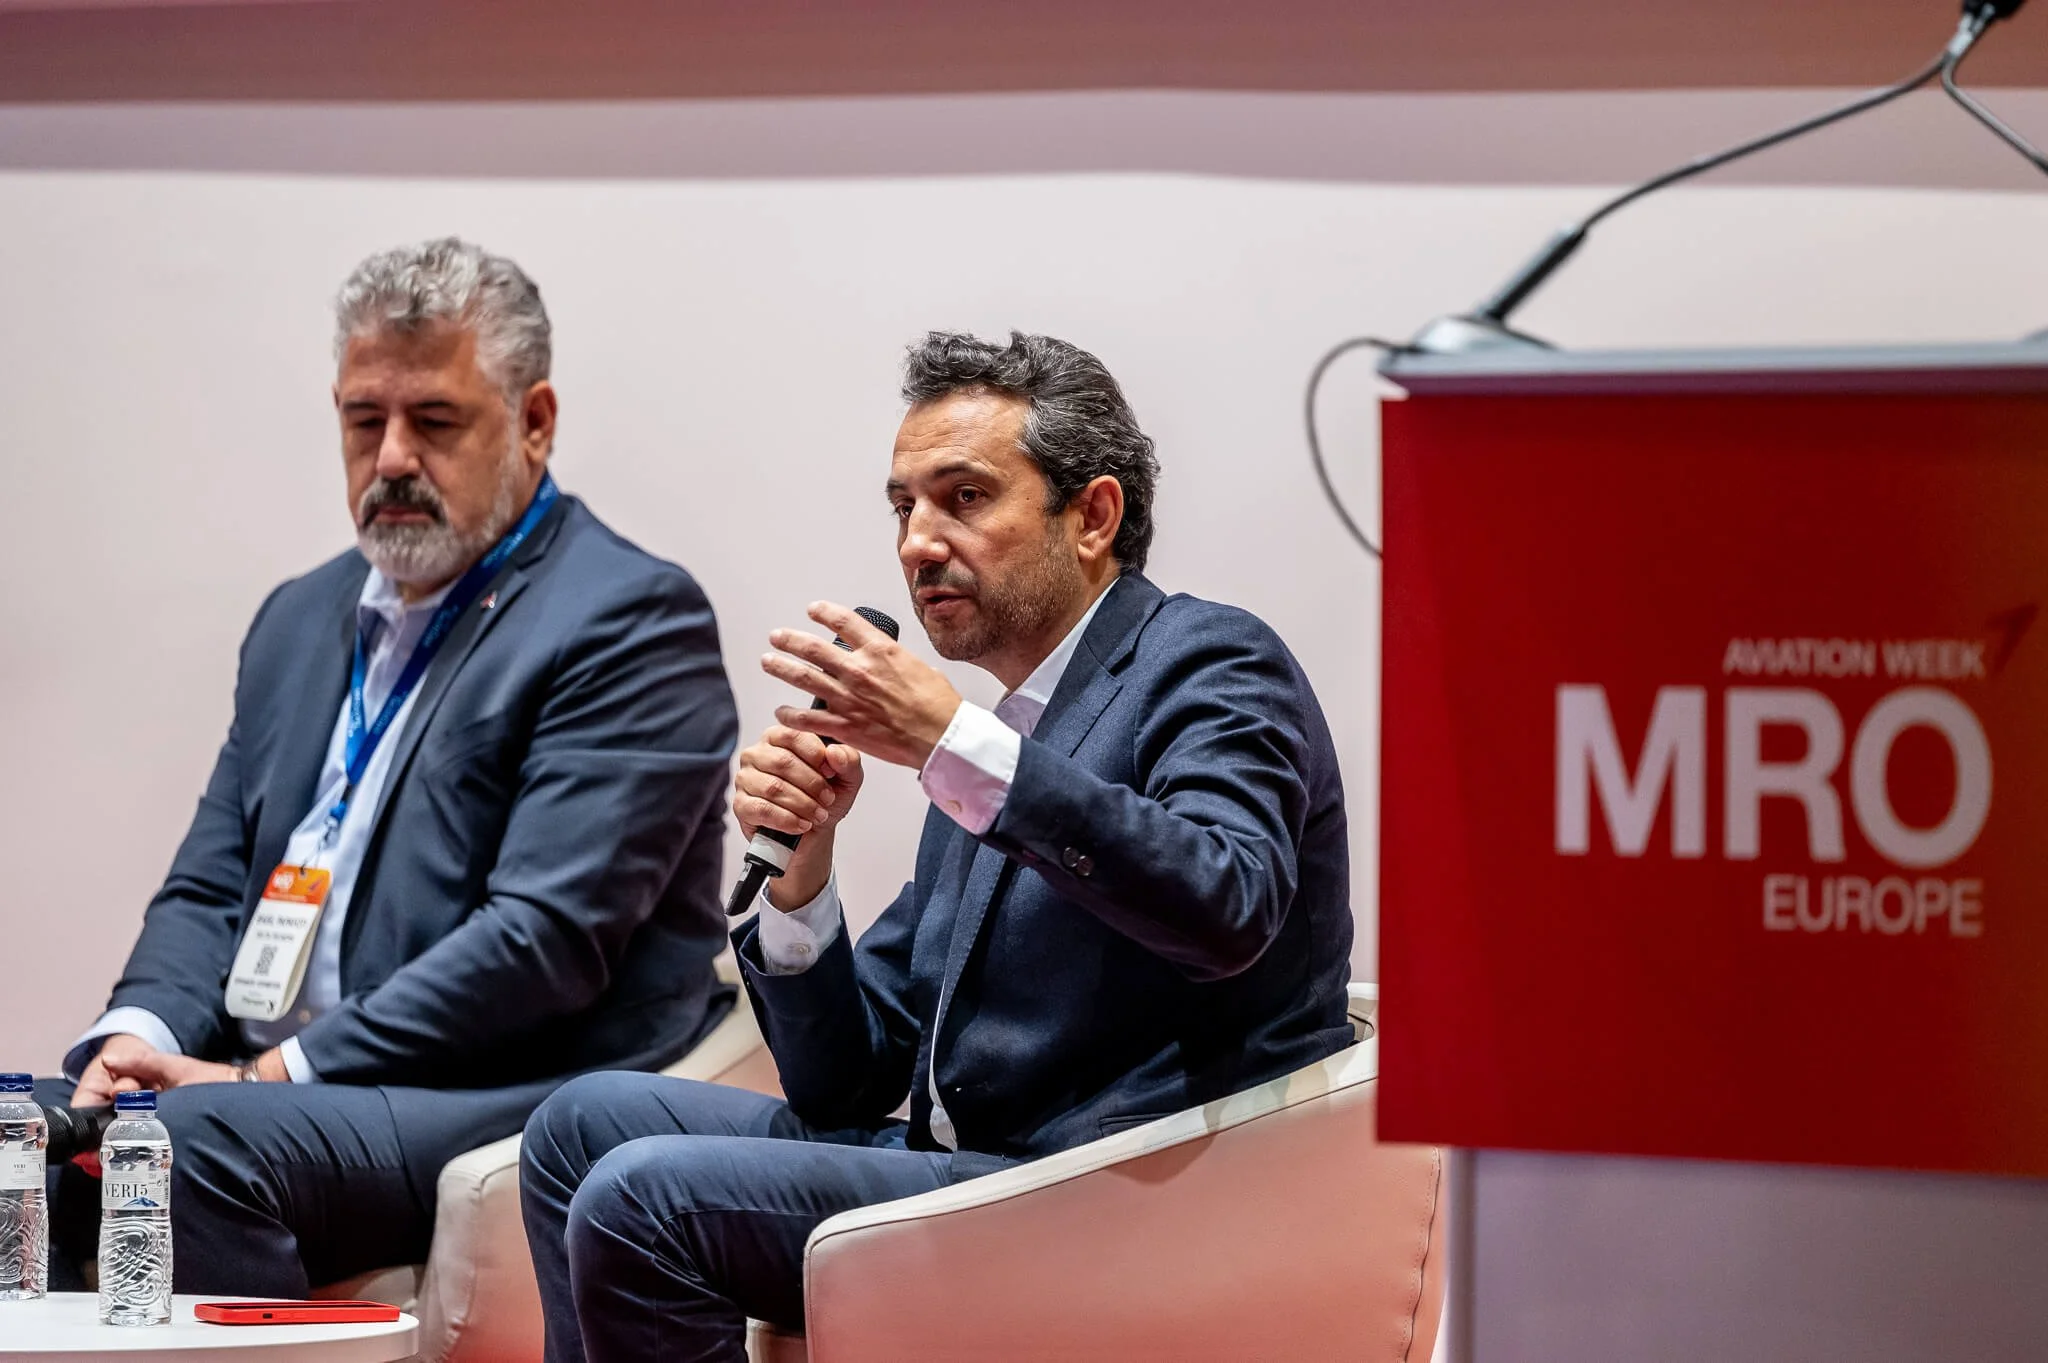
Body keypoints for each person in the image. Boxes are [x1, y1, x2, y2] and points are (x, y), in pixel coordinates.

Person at [522, 330, 1356, 1363]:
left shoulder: (1208, 660)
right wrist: (802, 878)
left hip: (1113, 1194)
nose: (917, 541)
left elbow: (1226, 903)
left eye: (962, 497)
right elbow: (846, 1080)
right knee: (577, 1127)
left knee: (645, 1200)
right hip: (979, 1171)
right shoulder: (1001, 735)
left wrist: (954, 744)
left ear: (1091, 515)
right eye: (902, 505)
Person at [35, 237, 739, 1297]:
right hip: (260, 1079)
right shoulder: (300, 616)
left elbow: (540, 943)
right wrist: (138, 1037)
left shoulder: (628, 621)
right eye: (365, 421)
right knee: (25, 1134)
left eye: (435, 422)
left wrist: (266, 1074)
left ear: (534, 422)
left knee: (199, 1141)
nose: (393, 457)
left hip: (515, 1083)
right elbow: (208, 885)